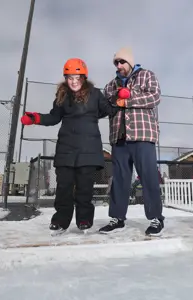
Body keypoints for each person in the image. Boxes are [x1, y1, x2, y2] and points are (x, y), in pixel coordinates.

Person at [21, 58, 121, 235]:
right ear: (66, 78)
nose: (74, 82)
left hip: (88, 150)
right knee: (64, 188)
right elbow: (53, 118)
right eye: (70, 78)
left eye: (77, 78)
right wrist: (35, 118)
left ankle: (84, 220)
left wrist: (119, 99)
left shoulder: (95, 94)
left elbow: (108, 110)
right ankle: (60, 221)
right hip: (66, 148)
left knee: (85, 188)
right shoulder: (63, 96)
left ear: (84, 77)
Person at [98, 47, 165, 236]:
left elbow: (155, 96)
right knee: (119, 179)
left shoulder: (146, 75)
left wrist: (129, 98)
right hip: (119, 137)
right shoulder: (111, 85)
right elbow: (105, 106)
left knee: (148, 176)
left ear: (130, 62)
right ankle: (117, 218)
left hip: (142, 135)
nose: (118, 66)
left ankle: (155, 218)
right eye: (116, 63)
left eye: (121, 62)